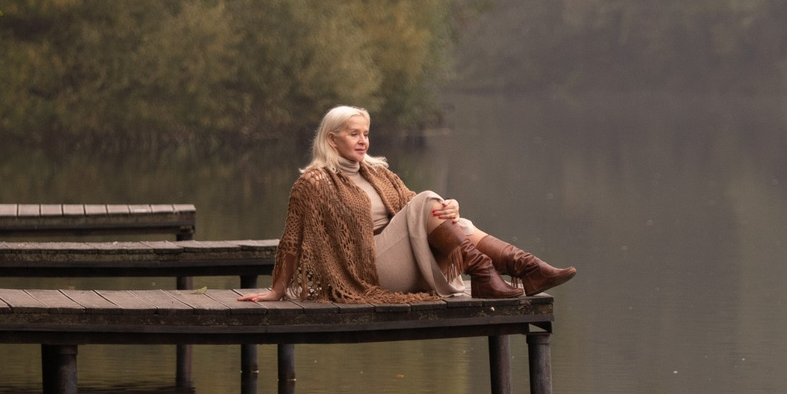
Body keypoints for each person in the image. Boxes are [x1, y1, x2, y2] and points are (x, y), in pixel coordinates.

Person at [242, 105, 575, 304]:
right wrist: (277, 290)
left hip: (404, 264)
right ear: (332, 139)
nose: (363, 141)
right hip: (368, 273)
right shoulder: (314, 183)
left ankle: (525, 268)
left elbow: (423, 211)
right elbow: (292, 241)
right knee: (426, 201)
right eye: (354, 134)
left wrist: (451, 207)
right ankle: (489, 273)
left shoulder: (377, 172)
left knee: (453, 220)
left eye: (366, 133)